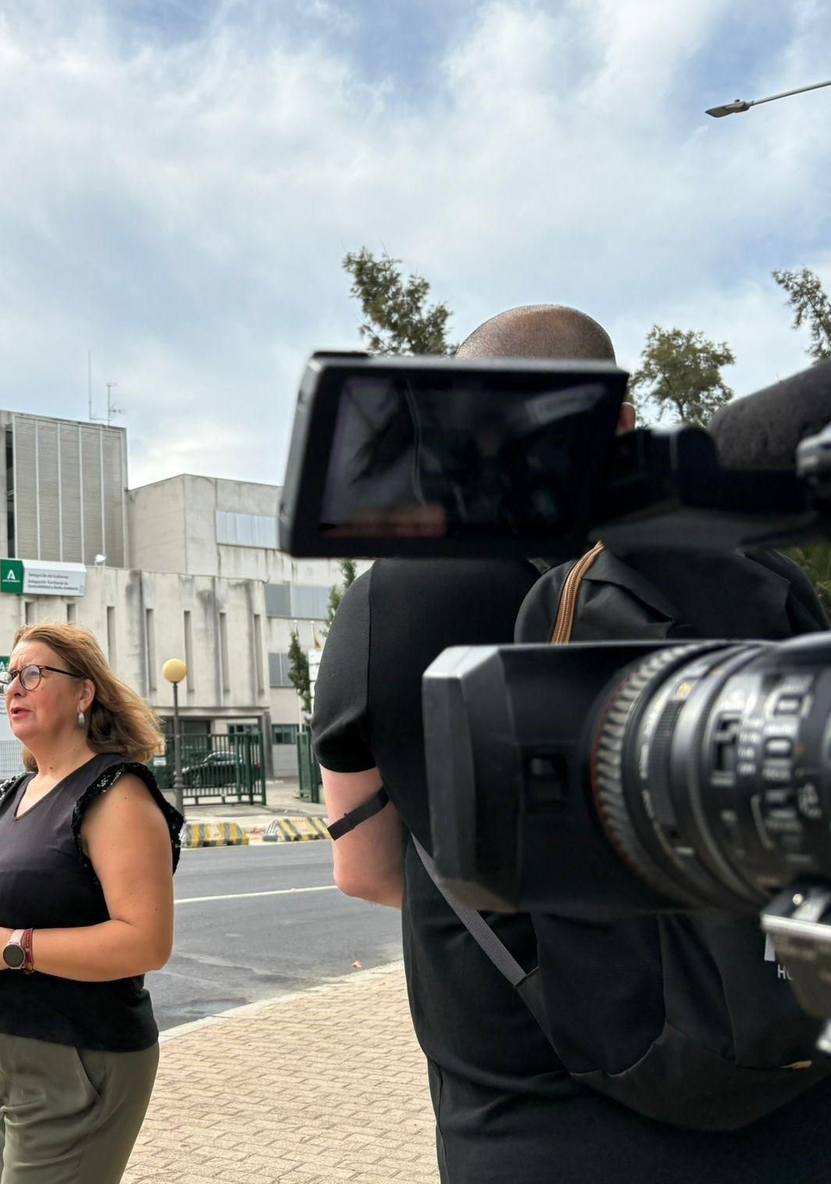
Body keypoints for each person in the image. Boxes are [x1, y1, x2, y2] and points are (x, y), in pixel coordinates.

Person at [313, 305, 831, 1183]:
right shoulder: (757, 569)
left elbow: (364, 868)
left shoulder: (391, 600)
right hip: (785, 1093)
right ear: (621, 419)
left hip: (533, 1127)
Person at [0, 622, 184, 1184]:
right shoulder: (17, 791)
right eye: (9, 676)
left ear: (83, 693)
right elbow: (10, 899)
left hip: (77, 1058)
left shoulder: (116, 792)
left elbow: (146, 941)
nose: (15, 688)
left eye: (34, 674)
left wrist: (11, 948)